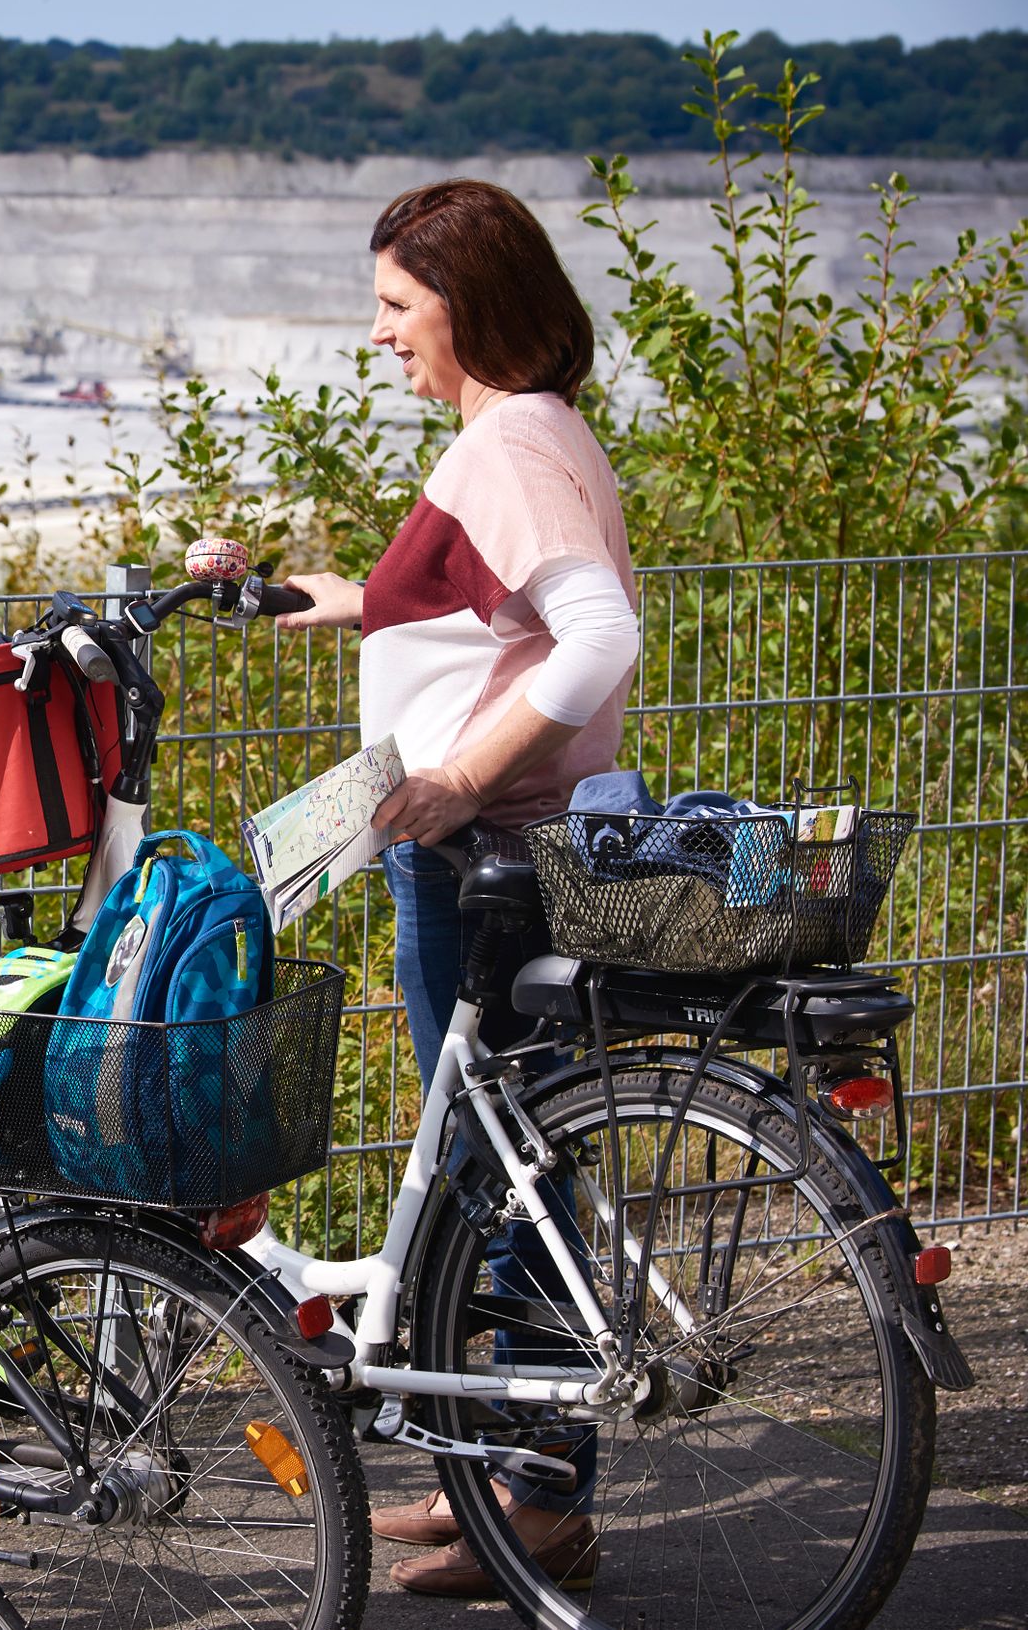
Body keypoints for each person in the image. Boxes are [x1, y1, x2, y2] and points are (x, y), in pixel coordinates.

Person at [274, 179, 642, 1600]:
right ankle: (501, 1474)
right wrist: (351, 595)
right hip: (496, 852)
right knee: (500, 1167)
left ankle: (540, 1499)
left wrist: (461, 776)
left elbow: (595, 637)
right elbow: (502, 606)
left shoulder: (512, 441)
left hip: (490, 859)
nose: (378, 336)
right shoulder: (523, 437)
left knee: (512, 1174)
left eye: (395, 307)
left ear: (470, 309)